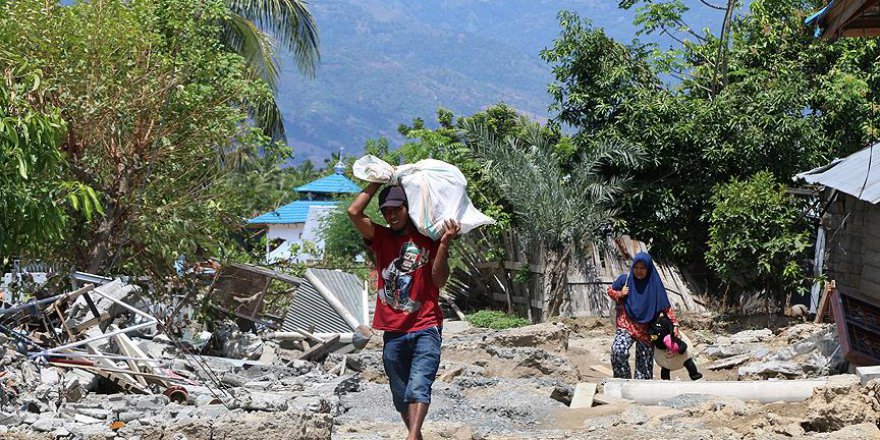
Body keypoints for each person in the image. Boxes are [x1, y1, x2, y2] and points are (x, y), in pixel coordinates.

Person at [348, 183, 460, 440]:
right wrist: (378, 179)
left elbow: (439, 280)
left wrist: (443, 245)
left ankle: (411, 436)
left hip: (426, 326)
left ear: (408, 209)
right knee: (400, 395)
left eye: (396, 209)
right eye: (385, 211)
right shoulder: (381, 238)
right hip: (393, 330)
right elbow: (354, 212)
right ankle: (415, 435)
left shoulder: (429, 239)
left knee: (419, 384)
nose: (391, 215)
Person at [607, 252, 678, 379]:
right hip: (626, 325)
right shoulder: (625, 279)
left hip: (646, 330)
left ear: (648, 269)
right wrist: (620, 294)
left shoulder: (654, 284)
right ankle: (623, 383)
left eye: (642, 268)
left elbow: (665, 306)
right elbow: (610, 290)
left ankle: (640, 393)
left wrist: (675, 324)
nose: (639, 271)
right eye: (636, 267)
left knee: (644, 370)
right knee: (618, 351)